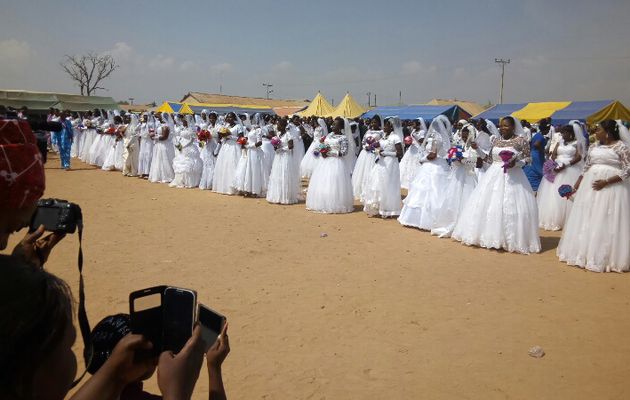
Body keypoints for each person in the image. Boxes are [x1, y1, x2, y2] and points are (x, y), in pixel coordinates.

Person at [452, 116, 541, 254]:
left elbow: (528, 159)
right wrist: (478, 150)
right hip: (494, 174)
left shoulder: (520, 141)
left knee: (510, 206)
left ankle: (510, 238)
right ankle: (490, 236)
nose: (502, 128)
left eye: (506, 126)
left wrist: (515, 163)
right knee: (490, 204)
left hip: (514, 177)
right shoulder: (497, 140)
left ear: (513, 127)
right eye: (501, 125)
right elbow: (489, 159)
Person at [557, 120, 630, 272]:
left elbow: (628, 169)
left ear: (608, 132)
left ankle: (604, 256)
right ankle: (583, 253)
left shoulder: (621, 147)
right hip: (590, 186)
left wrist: (607, 181)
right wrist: (575, 187)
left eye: (598, 130)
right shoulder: (595, 146)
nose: (595, 133)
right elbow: (586, 167)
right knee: (588, 216)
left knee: (605, 217)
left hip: (612, 188)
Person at [398, 115, 452, 230]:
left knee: (429, 191)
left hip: (433, 166)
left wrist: (422, 160)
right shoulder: (438, 137)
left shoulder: (436, 139)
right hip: (434, 165)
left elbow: (432, 155)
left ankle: (422, 219)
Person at [431, 124, 478, 237]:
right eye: (463, 135)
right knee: (454, 198)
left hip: (469, 176)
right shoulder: (460, 145)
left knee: (467, 197)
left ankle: (465, 225)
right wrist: (455, 158)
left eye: (467, 136)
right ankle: (452, 221)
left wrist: (463, 160)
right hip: (458, 174)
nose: (464, 138)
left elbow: (476, 162)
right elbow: (454, 159)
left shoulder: (474, 147)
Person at [537, 123, 584, 231]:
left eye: (565, 132)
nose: (563, 135)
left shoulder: (577, 143)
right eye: (562, 132)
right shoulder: (560, 142)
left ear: (572, 133)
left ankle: (567, 219)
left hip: (570, 169)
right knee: (552, 194)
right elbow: (553, 154)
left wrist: (565, 165)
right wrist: (554, 163)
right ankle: (553, 218)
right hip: (557, 168)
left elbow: (578, 157)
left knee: (568, 193)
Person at [305, 117, 354, 213]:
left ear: (340, 127)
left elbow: (344, 152)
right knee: (323, 182)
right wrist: (318, 150)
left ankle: (335, 204)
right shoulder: (329, 135)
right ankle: (323, 202)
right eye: (332, 124)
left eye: (335, 124)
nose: (332, 126)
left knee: (334, 183)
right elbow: (322, 145)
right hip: (324, 163)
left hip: (337, 164)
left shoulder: (343, 138)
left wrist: (329, 153)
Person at [362, 116, 403, 217]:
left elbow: (399, 153)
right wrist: (373, 147)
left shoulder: (395, 138)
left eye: (386, 126)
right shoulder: (384, 136)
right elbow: (377, 146)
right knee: (377, 182)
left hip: (390, 164)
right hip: (381, 162)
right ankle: (378, 207)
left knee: (387, 184)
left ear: (391, 127)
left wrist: (386, 153)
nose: (384, 127)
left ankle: (388, 209)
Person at [266, 118, 300, 205]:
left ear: (283, 126)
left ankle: (285, 197)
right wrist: (275, 147)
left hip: (286, 157)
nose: (277, 126)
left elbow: (291, 146)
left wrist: (281, 149)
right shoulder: (279, 134)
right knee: (277, 175)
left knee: (284, 174)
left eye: (279, 125)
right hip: (278, 157)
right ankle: (277, 195)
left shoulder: (288, 134)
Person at [232, 114, 267, 197]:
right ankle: (248, 189)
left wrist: (248, 146)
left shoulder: (258, 130)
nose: (251, 121)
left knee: (254, 170)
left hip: (255, 152)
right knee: (247, 170)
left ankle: (255, 190)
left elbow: (259, 142)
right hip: (249, 152)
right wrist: (244, 142)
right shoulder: (251, 129)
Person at [352, 116, 383, 200]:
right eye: (372, 122)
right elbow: (363, 141)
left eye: (375, 122)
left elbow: (382, 143)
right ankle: (362, 190)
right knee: (363, 172)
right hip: (365, 154)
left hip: (374, 154)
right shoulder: (368, 131)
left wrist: (374, 147)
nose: (373, 124)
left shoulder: (381, 132)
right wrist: (366, 146)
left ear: (379, 123)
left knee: (372, 171)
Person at [212, 112, 244, 195]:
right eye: (228, 117)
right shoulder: (226, 126)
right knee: (225, 166)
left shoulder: (238, 126)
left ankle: (233, 187)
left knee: (232, 165)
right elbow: (221, 138)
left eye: (231, 117)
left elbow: (241, 138)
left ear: (234, 118)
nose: (229, 119)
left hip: (234, 147)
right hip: (225, 147)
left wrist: (230, 136)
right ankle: (224, 186)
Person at [170, 115, 203, 189]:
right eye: (183, 121)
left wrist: (184, 146)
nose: (183, 122)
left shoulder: (192, 129)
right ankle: (181, 181)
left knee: (189, 164)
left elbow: (192, 140)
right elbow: (180, 137)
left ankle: (190, 181)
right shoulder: (182, 128)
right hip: (181, 146)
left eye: (185, 121)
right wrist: (178, 144)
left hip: (189, 147)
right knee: (181, 163)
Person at [399, 118, 427, 189]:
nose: (412, 125)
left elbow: (422, 141)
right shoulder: (413, 130)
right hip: (411, 148)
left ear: (418, 124)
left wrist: (415, 137)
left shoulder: (422, 131)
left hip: (418, 149)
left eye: (414, 123)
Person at [149, 113, 176, 184]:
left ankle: (166, 176)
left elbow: (164, 137)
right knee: (158, 159)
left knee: (165, 160)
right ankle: (160, 175)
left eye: (160, 117)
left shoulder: (166, 126)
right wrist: (154, 135)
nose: (158, 118)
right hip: (159, 145)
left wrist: (155, 137)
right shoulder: (161, 125)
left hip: (164, 145)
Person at [523, 118, 548, 192]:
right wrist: (542, 150)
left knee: (533, 168)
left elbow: (531, 143)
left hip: (533, 153)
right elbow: (536, 144)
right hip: (537, 154)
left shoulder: (537, 134)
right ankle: (536, 186)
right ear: (545, 129)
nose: (548, 131)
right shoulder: (541, 137)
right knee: (538, 169)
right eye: (548, 129)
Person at [198, 111, 219, 190]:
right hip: (208, 146)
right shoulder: (208, 127)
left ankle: (213, 182)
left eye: (213, 118)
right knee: (207, 163)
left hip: (215, 145)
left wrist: (217, 149)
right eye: (210, 118)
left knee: (215, 163)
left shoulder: (219, 127)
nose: (211, 119)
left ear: (216, 118)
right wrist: (203, 138)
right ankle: (207, 182)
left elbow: (220, 138)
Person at [138, 113, 156, 178]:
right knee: (142, 156)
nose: (145, 117)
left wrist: (149, 135)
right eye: (144, 116)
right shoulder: (142, 124)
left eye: (146, 116)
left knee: (148, 155)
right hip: (143, 141)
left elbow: (152, 133)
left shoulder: (151, 124)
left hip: (148, 141)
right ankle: (142, 171)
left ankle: (147, 172)